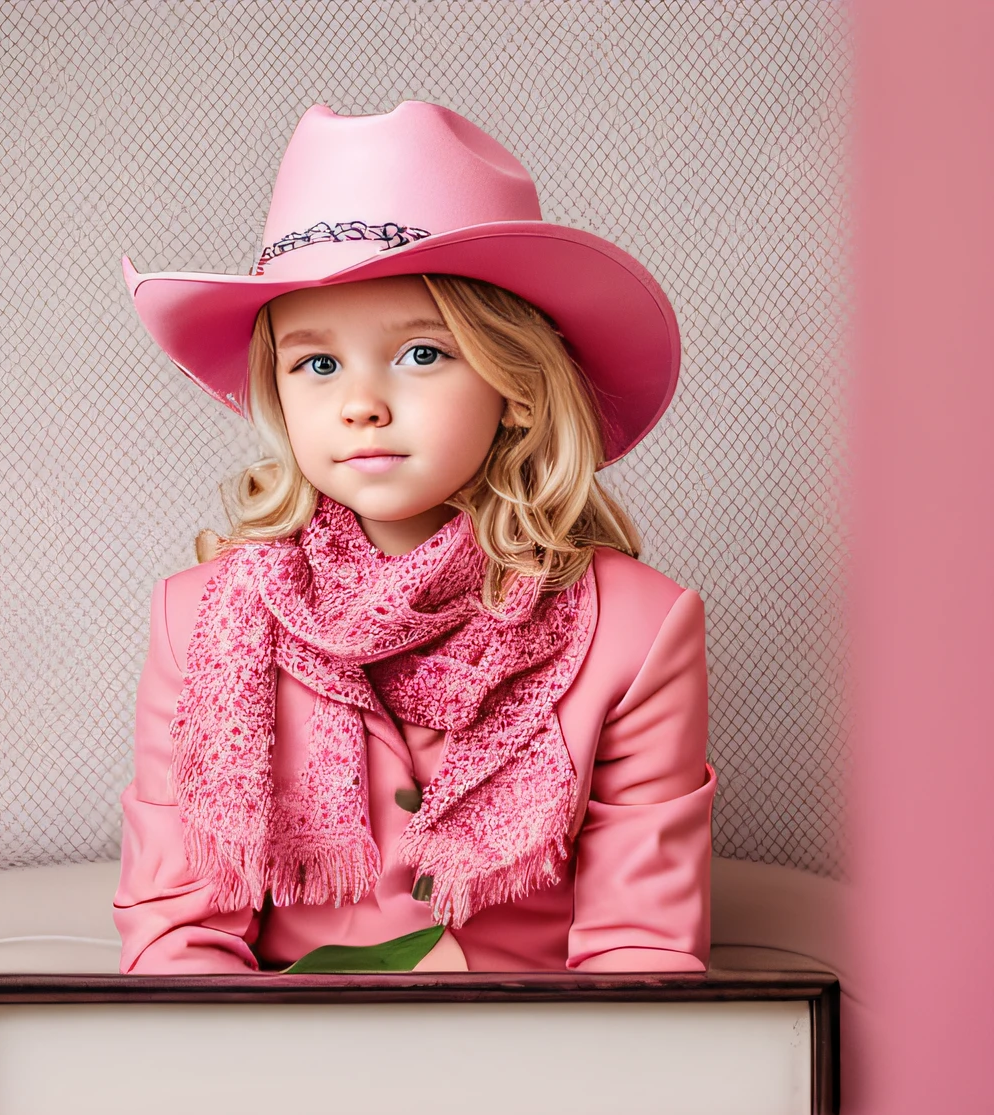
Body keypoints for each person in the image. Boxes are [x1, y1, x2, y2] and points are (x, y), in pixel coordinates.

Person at [115, 102, 713, 974]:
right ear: (280, 396)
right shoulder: (198, 617)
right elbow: (180, 935)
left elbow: (640, 950)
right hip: (281, 1070)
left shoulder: (640, 627)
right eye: (317, 365)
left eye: (422, 354)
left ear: (516, 383)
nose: (362, 403)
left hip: (530, 1071)